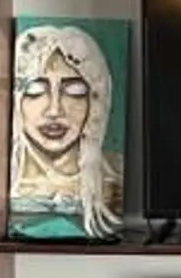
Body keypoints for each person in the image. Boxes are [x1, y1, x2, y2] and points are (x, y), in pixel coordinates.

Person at [11, 20, 123, 237]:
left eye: (74, 91)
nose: (54, 110)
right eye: (35, 90)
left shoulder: (114, 178)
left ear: (95, 100)